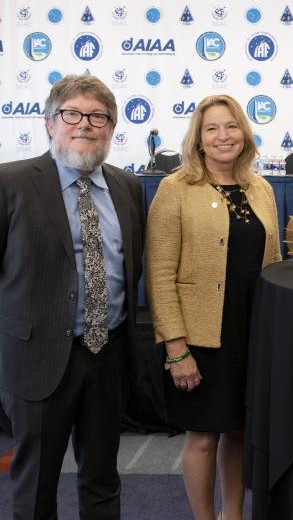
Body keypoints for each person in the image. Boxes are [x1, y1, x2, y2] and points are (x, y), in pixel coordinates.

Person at [0, 74, 145, 519]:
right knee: (35, 484)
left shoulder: (128, 187)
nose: (86, 124)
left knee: (102, 478)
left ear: (111, 127)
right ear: (50, 123)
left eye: (99, 116)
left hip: (109, 355)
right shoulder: (11, 182)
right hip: (38, 359)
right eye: (72, 114)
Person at [146, 94, 281, 520]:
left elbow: (273, 263)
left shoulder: (261, 188)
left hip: (251, 330)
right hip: (200, 334)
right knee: (203, 437)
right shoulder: (175, 189)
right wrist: (176, 348)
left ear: (244, 133)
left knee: (239, 432)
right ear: (199, 140)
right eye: (212, 128)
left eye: (231, 126)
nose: (224, 136)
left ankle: (233, 515)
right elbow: (159, 275)